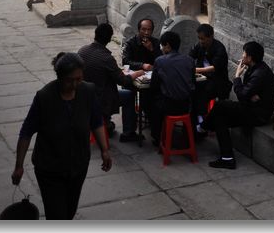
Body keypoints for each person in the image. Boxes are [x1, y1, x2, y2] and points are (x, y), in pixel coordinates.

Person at [12, 52, 111, 219]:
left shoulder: (87, 91)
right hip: (50, 169)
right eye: (69, 80)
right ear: (59, 77)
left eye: (79, 79)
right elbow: (26, 132)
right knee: (57, 215)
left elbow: (96, 122)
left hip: (78, 165)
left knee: (69, 211)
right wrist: (19, 166)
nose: (74, 85)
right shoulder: (44, 97)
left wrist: (105, 150)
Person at [203, 40, 274, 170]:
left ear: (250, 57)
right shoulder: (254, 68)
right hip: (250, 107)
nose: (242, 56)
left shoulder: (259, 74)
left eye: (244, 53)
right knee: (220, 118)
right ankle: (227, 158)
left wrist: (237, 77)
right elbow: (246, 94)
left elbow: (242, 94)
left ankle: (204, 126)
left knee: (220, 105)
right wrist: (249, 95)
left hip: (258, 114)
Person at [78, 23, 145, 141]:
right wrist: (136, 74)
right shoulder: (106, 58)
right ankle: (128, 133)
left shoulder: (82, 51)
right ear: (109, 39)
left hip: (84, 96)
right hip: (100, 99)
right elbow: (123, 81)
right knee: (129, 95)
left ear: (95, 34)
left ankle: (106, 123)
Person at [149, 30, 195, 147]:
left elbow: (154, 85)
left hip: (168, 106)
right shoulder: (189, 60)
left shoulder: (160, 61)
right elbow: (192, 82)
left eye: (162, 46)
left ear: (168, 46)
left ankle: (157, 137)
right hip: (186, 105)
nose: (161, 49)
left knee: (150, 102)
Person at [121, 18, 162, 141]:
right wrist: (142, 65)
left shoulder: (155, 42)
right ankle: (129, 129)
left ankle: (154, 126)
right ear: (139, 29)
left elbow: (162, 60)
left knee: (153, 95)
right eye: (143, 29)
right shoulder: (131, 43)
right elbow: (126, 60)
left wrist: (152, 50)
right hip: (135, 75)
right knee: (128, 92)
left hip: (150, 78)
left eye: (149, 30)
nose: (146, 33)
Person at [189, 23, 232, 136]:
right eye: (199, 38)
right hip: (202, 78)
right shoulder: (199, 46)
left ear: (211, 37)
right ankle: (196, 121)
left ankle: (202, 121)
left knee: (201, 92)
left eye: (203, 38)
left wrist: (196, 70)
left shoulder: (219, 49)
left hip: (217, 81)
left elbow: (214, 68)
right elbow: (190, 57)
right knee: (191, 90)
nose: (201, 41)